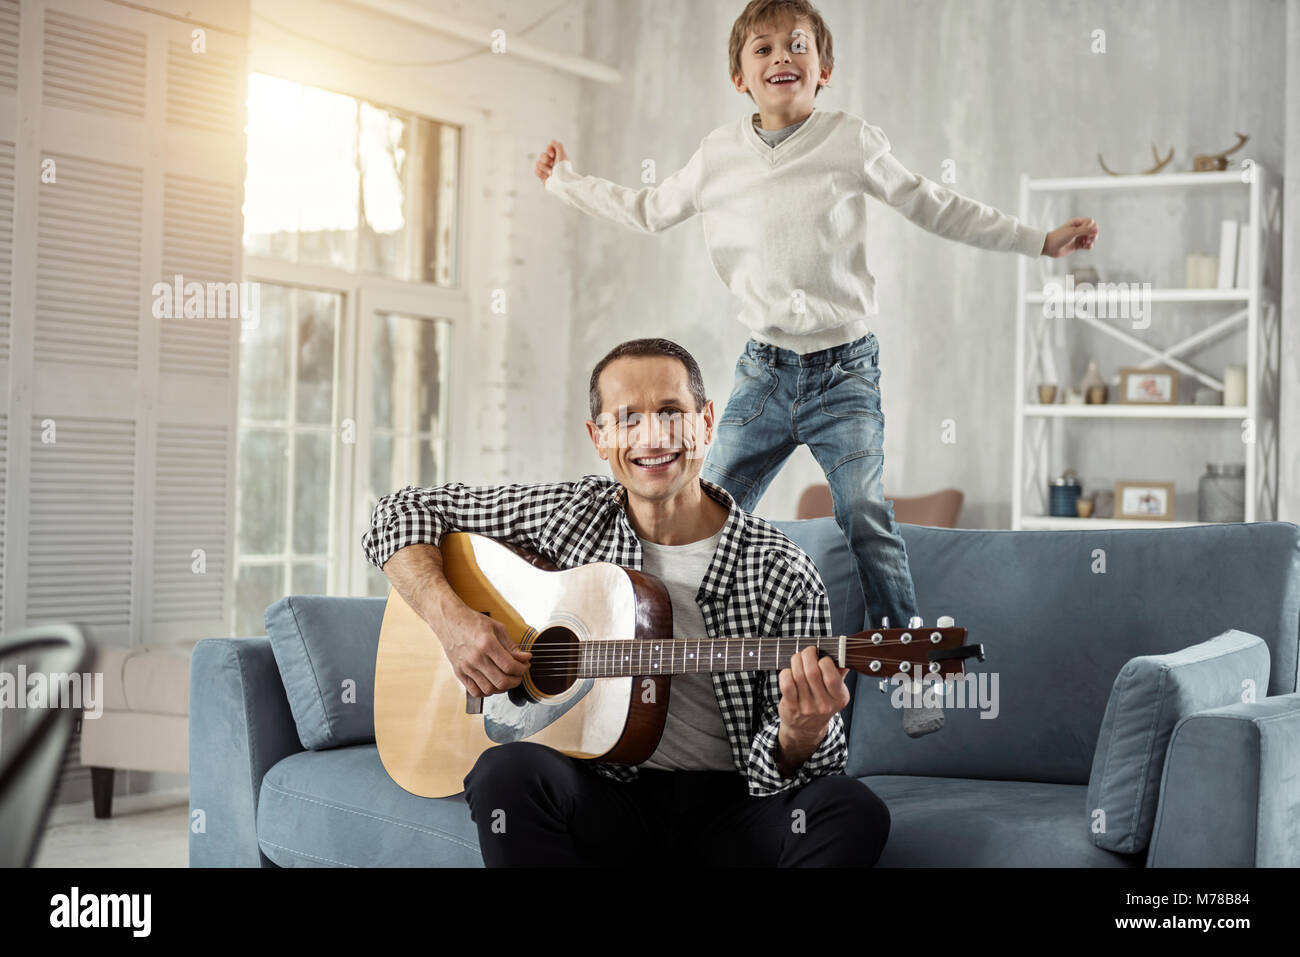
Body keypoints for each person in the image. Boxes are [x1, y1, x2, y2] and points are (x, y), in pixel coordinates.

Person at [535, 0, 1098, 646]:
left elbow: (933, 204)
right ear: (739, 77)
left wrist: (1039, 241)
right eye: (764, 48)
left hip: (843, 372)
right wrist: (564, 182)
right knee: (704, 508)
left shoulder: (850, 140)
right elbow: (647, 209)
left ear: (824, 67)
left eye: (798, 46)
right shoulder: (718, 154)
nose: (782, 57)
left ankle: (908, 658)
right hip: (764, 373)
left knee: (863, 511)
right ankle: (663, 640)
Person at [363, 337, 890, 866]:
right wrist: (451, 621)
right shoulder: (569, 513)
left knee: (850, 809)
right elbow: (396, 513)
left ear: (706, 423)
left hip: (729, 810)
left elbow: (803, 773)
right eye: (627, 418)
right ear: (599, 437)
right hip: (598, 796)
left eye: (670, 412)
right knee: (506, 773)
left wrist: (799, 734)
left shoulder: (782, 570)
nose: (653, 436)